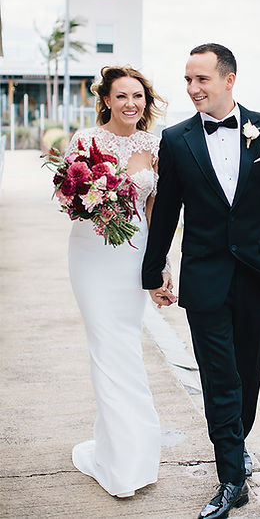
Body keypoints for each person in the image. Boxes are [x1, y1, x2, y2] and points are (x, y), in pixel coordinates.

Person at [142, 43, 260, 519]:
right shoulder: (175, 140)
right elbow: (169, 211)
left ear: (229, 79)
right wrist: (153, 270)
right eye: (188, 81)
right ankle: (230, 478)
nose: (193, 89)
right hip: (206, 277)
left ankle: (236, 445)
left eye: (202, 80)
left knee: (249, 372)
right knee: (219, 377)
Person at [66, 65, 172, 498]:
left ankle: (129, 454)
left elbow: (154, 210)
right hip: (91, 254)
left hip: (132, 254)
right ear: (106, 99)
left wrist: (159, 265)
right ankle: (119, 461)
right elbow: (71, 201)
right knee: (105, 347)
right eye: (122, 96)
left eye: (139, 97)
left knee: (125, 346)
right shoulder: (84, 141)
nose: (131, 104)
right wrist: (99, 198)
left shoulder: (155, 144)